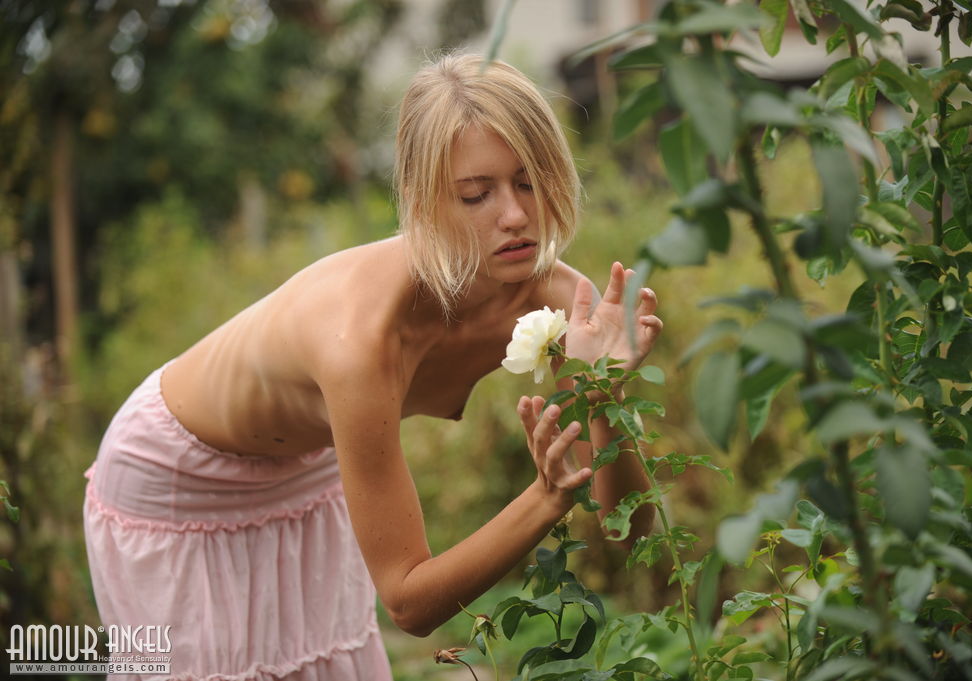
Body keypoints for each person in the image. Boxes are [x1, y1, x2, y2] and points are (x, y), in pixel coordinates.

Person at [83, 52, 662, 681]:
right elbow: (409, 600)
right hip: (175, 479)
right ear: (421, 202)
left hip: (302, 463)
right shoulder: (360, 340)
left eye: (529, 182)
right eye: (476, 194)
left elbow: (627, 531)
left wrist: (606, 393)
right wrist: (545, 498)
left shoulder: (562, 302)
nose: (516, 215)